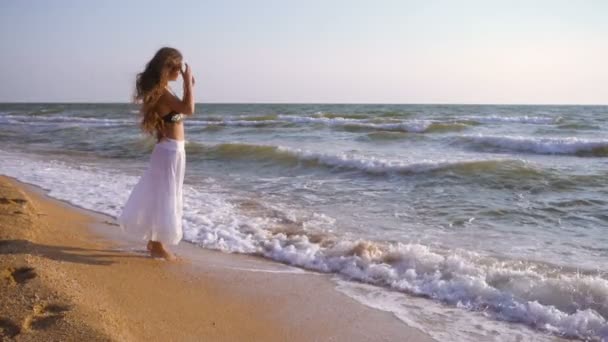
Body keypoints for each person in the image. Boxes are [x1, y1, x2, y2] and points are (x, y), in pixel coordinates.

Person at [118, 47, 195, 260]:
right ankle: (157, 245)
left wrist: (188, 86)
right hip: (170, 151)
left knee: (163, 194)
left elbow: (174, 116)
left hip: (170, 149)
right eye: (178, 69)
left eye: (182, 70)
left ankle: (155, 242)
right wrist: (189, 83)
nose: (180, 73)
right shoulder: (162, 92)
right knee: (166, 195)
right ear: (167, 67)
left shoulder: (163, 90)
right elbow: (188, 109)